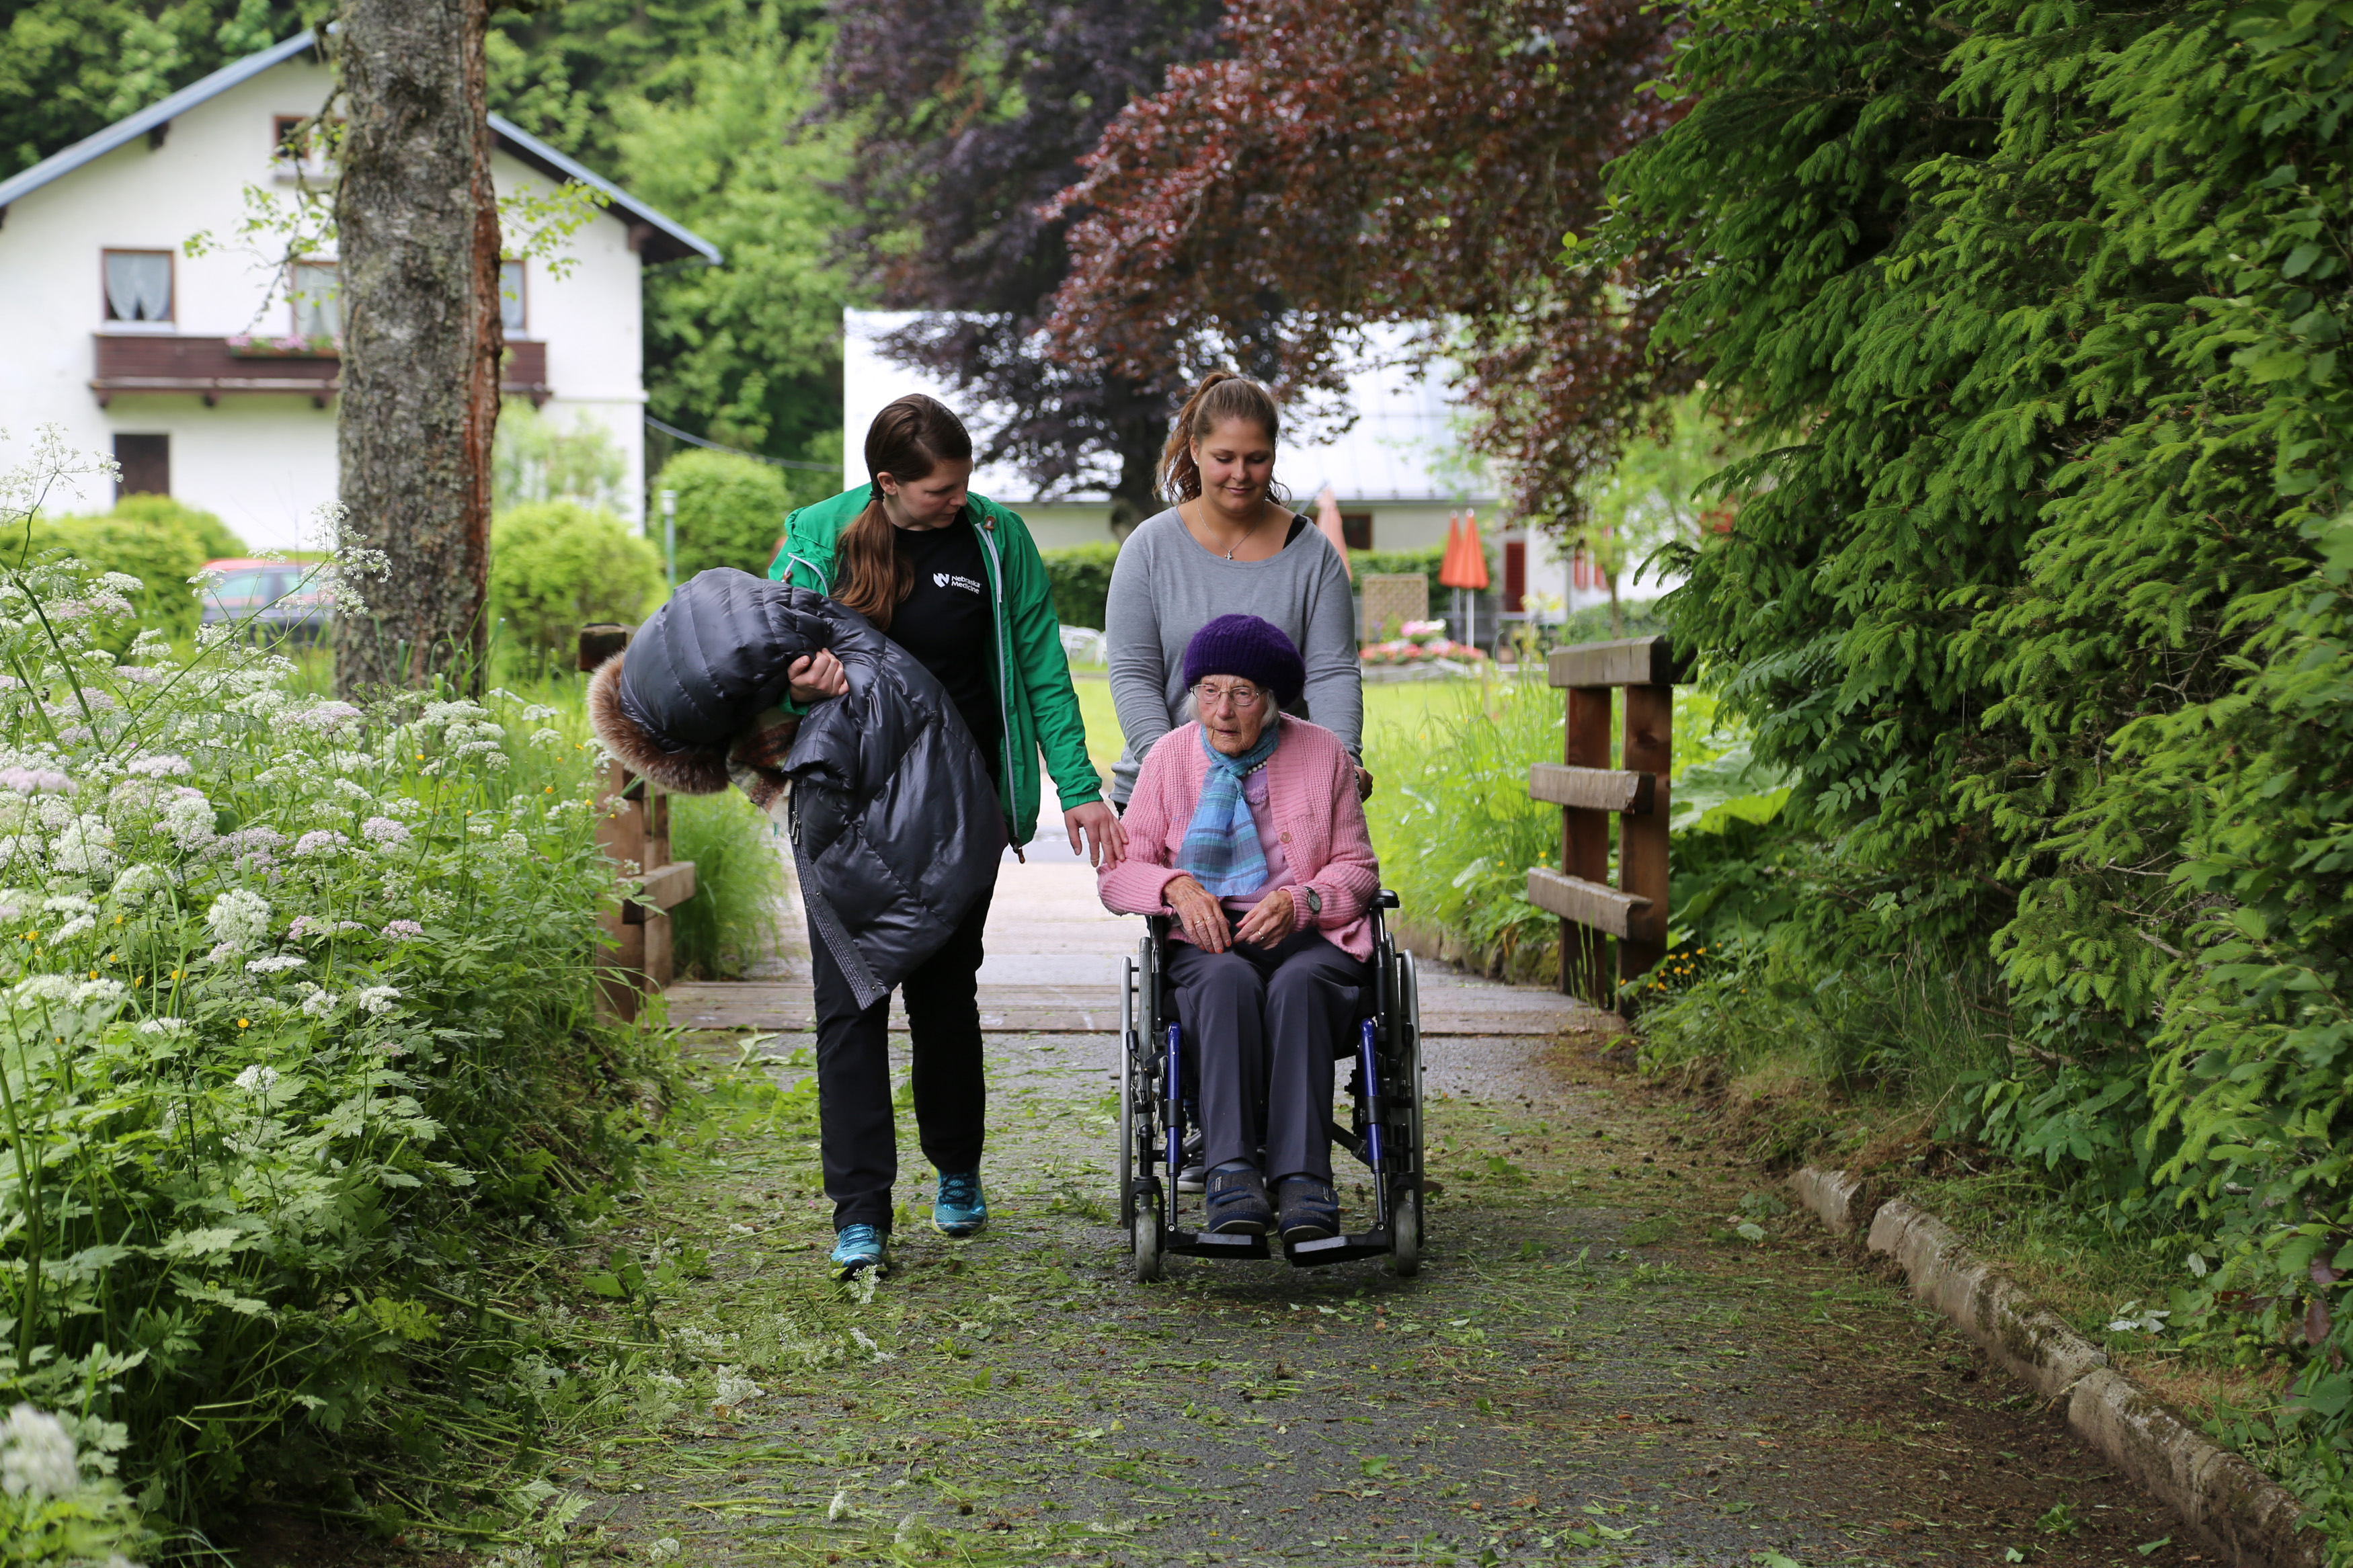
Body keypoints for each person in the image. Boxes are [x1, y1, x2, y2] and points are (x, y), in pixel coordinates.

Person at [769, 395, 1125, 1280]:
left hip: (958, 813)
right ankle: (859, 1214)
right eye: (937, 490)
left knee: (943, 994)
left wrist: (1075, 787)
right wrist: (797, 685)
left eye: (964, 483)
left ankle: (957, 1167)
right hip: (843, 811)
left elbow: (1043, 665)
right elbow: (760, 661)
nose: (957, 501)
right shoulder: (818, 537)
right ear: (886, 484)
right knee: (848, 1007)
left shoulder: (998, 542)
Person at [1096, 615, 1381, 1242]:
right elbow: (1119, 874)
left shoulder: (1322, 752)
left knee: (1300, 985)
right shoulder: (1169, 757)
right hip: (1206, 938)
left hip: (1310, 935)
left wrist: (1303, 900)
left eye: (1243, 693)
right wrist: (1171, 885)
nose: (1222, 710)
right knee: (1226, 984)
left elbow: (1358, 870)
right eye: (1208, 691)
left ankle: (1306, 1178)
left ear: (1275, 700)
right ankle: (1230, 1172)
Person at [1104, 372, 1368, 812]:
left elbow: (1332, 672)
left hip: (1284, 798)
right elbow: (1134, 675)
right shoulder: (1148, 549)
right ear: (1195, 449)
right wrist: (1169, 770)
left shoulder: (1313, 555)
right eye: (1224, 457)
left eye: (1257, 458)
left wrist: (1343, 761)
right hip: (1163, 796)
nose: (1241, 475)